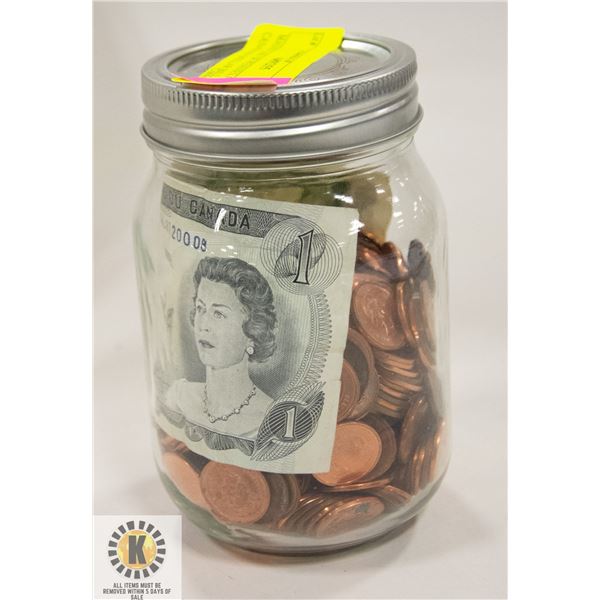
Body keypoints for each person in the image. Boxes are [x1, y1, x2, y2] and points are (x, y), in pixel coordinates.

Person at [164, 257, 277, 445]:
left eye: (219, 314)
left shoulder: (270, 421)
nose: (203, 325)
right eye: (200, 308)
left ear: (252, 332)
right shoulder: (178, 396)